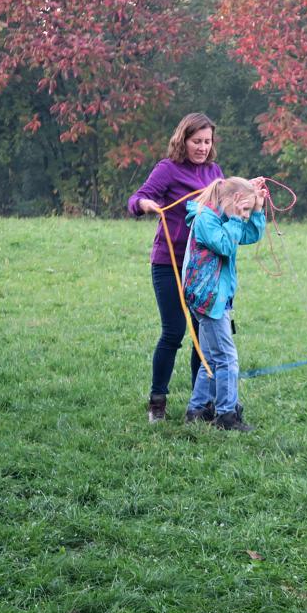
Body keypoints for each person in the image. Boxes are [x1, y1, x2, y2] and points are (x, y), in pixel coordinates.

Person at [128, 113, 224, 423]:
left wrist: (250, 195)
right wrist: (146, 205)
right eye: (197, 141)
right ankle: (157, 402)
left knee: (203, 335)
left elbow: (228, 208)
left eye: (207, 142)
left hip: (203, 267)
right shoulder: (167, 170)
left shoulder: (215, 172)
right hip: (168, 262)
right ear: (183, 140)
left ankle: (201, 405)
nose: (202, 147)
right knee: (174, 331)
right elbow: (137, 198)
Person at [182, 176, 266, 431]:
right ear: (234, 200)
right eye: (245, 208)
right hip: (207, 296)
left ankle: (197, 409)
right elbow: (225, 246)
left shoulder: (227, 217)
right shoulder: (205, 218)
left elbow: (249, 235)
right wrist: (238, 218)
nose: (245, 215)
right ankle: (227, 415)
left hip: (219, 295)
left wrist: (257, 211)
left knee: (210, 355)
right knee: (227, 358)